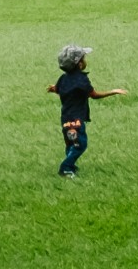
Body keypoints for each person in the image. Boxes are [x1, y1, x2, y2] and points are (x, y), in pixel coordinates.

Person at [47, 44, 126, 176]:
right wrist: (113, 92)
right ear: (79, 64)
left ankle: (71, 166)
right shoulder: (82, 80)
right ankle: (65, 168)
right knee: (80, 144)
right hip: (76, 120)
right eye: (83, 58)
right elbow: (94, 95)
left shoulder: (63, 78)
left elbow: (60, 90)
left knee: (71, 143)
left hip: (65, 119)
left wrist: (54, 89)